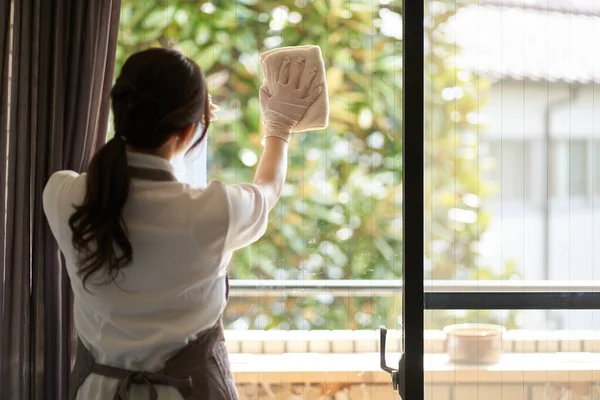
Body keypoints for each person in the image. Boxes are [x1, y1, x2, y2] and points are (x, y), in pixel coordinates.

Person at [43, 48, 322, 400]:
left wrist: (186, 132)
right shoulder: (214, 212)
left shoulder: (62, 196)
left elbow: (122, 173)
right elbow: (268, 189)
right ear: (190, 128)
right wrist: (279, 126)